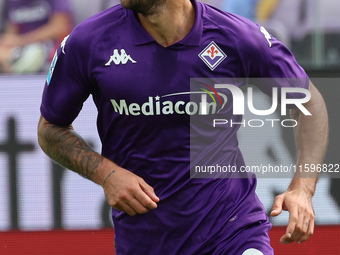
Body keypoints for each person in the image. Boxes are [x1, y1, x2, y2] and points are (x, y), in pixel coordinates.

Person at [37, 0, 328, 254]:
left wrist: (303, 189)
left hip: (232, 229)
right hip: (145, 241)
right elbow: (50, 128)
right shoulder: (88, 41)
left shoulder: (236, 38)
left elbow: (310, 104)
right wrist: (106, 174)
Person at [0, 0, 73, 73]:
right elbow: (11, 33)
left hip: (51, 49)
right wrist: (6, 47)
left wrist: (21, 41)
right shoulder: (11, 2)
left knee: (34, 52)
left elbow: (59, 28)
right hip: (21, 49)